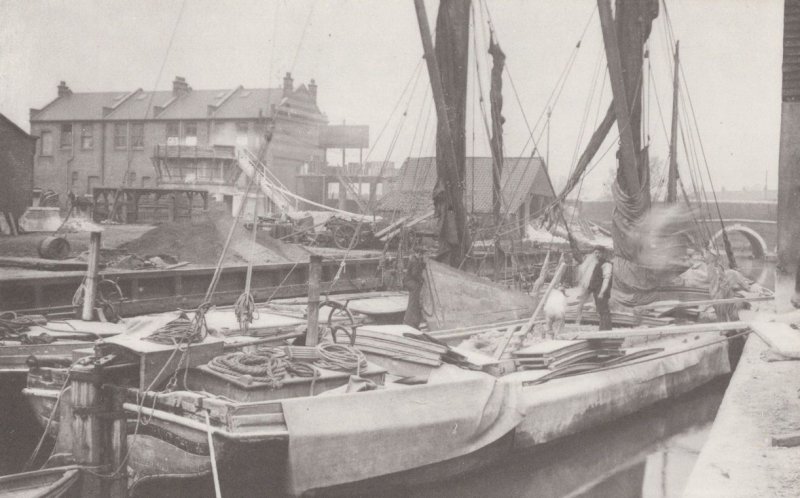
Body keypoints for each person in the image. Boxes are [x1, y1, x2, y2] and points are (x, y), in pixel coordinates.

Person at [587, 246, 613, 330]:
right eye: (595, 253)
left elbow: (606, 280)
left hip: (602, 291)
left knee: (604, 311)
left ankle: (606, 330)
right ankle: (602, 329)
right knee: (600, 311)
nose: (597, 255)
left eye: (599, 253)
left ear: (603, 254)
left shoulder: (607, 264)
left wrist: (602, 292)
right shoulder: (597, 264)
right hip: (596, 291)